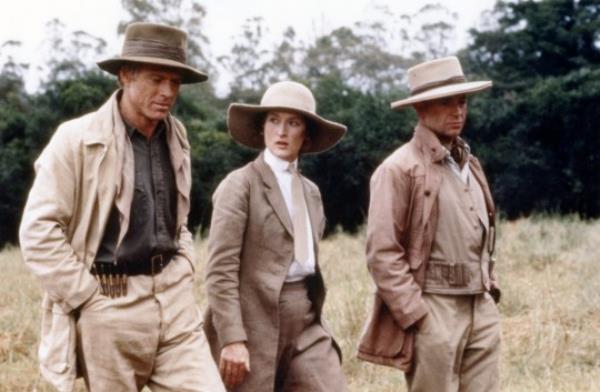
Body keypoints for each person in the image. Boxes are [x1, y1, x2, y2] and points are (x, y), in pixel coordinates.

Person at [19, 22, 224, 392]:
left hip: (175, 300)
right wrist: (86, 296)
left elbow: (179, 219)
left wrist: (185, 265)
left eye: (175, 83)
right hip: (109, 301)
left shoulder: (177, 135)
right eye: (156, 79)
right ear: (125, 76)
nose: (167, 92)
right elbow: (38, 231)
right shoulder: (76, 139)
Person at [357, 56, 502, 392]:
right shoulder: (399, 169)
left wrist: (489, 287)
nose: (458, 111)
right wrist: (417, 314)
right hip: (434, 306)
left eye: (462, 101)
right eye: (445, 102)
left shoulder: (470, 163)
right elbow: (382, 253)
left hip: (480, 303)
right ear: (420, 109)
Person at [204, 81, 349, 391]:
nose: (282, 131)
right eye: (274, 120)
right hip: (253, 322)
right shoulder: (240, 185)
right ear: (262, 128)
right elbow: (219, 272)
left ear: (306, 134)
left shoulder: (311, 193)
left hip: (306, 320)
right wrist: (232, 339)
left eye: (293, 122)